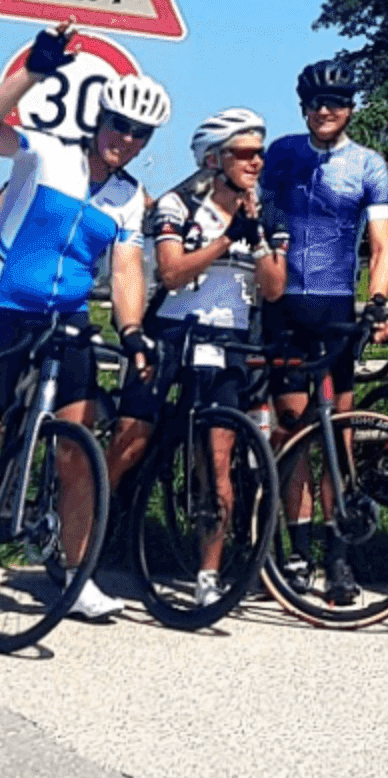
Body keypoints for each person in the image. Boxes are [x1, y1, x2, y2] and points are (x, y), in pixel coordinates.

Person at [0, 24, 168, 620]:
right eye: (119, 124)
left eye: (139, 133)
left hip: (66, 317)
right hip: (6, 307)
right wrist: (37, 67)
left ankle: (76, 571)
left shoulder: (128, 195)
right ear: (100, 120)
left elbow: (125, 271)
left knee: (77, 449)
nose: (126, 138)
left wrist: (132, 331)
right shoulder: (45, 153)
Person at [105, 109, 288, 607]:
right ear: (214, 158)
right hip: (171, 334)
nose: (256, 161)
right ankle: (88, 530)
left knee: (219, 461)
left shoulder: (266, 211)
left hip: (227, 341)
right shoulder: (176, 204)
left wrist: (260, 236)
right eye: (244, 153)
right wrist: (227, 240)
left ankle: (209, 572)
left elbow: (274, 290)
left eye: (260, 153)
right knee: (132, 438)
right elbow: (170, 273)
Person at [259, 56, 388, 602]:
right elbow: (262, 221)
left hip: (338, 305)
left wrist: (379, 302)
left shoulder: (368, 164)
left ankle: (339, 558)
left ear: (350, 108)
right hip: (285, 306)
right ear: (303, 107)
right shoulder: (283, 154)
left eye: (335, 103)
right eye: (315, 102)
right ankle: (296, 553)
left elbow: (382, 245)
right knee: (293, 431)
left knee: (339, 436)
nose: (324, 110)